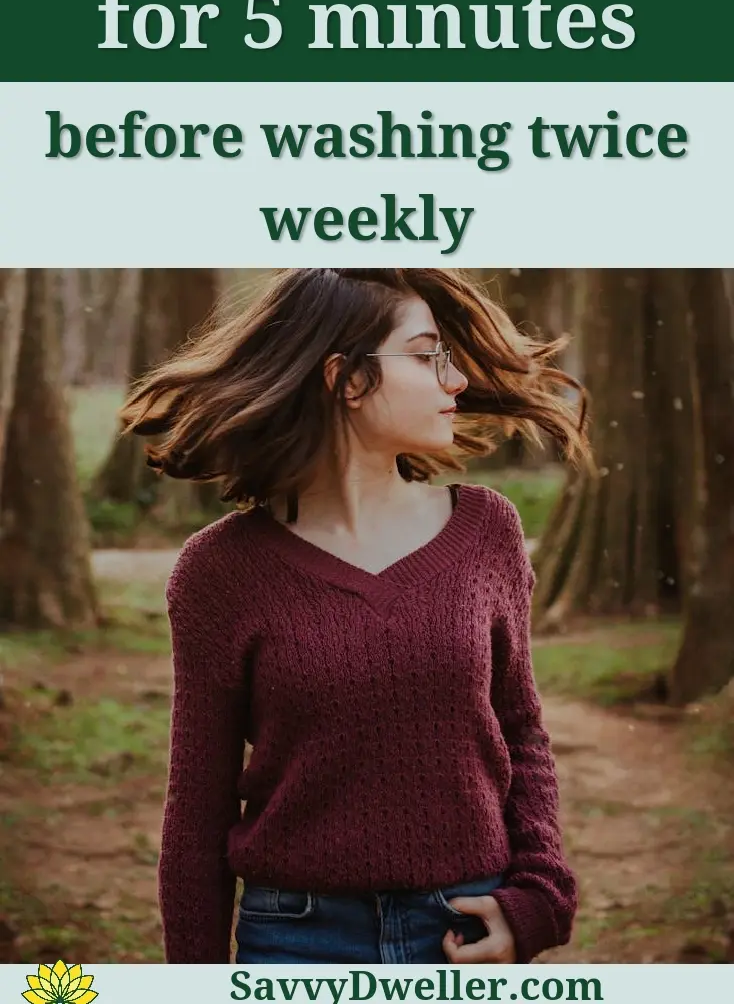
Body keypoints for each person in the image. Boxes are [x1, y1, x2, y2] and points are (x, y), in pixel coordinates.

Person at [119, 268, 589, 966]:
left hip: (463, 932)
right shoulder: (220, 570)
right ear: (346, 378)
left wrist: (538, 899)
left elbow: (520, 732)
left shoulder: (488, 531)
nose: (456, 380)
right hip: (294, 940)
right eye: (426, 356)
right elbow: (197, 809)